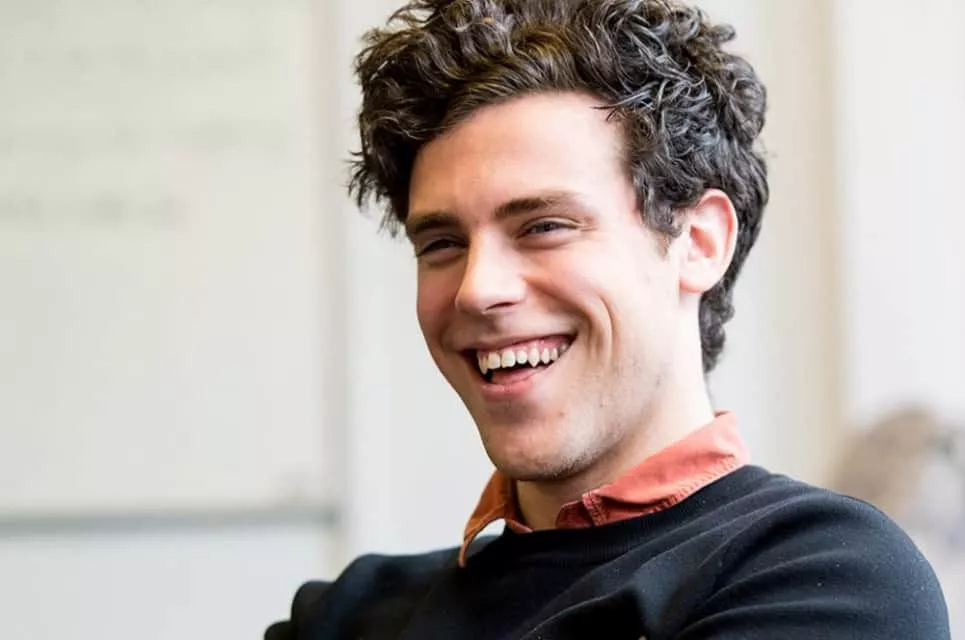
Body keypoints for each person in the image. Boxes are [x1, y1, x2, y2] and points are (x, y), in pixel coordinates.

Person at [267, 0, 950, 637]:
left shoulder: (825, 576)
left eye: (543, 226)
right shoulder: (348, 614)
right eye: (442, 243)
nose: (476, 290)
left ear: (698, 242)